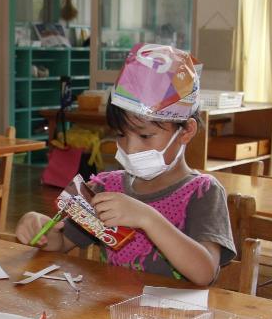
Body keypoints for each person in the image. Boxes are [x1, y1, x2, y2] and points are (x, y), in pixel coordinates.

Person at [16, 44, 236, 285]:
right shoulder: (106, 187)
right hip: (111, 313)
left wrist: (147, 218)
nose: (130, 148)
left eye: (145, 136)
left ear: (186, 132)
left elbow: (204, 273)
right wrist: (40, 230)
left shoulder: (203, 192)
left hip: (177, 318)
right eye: (121, 135)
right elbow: (62, 242)